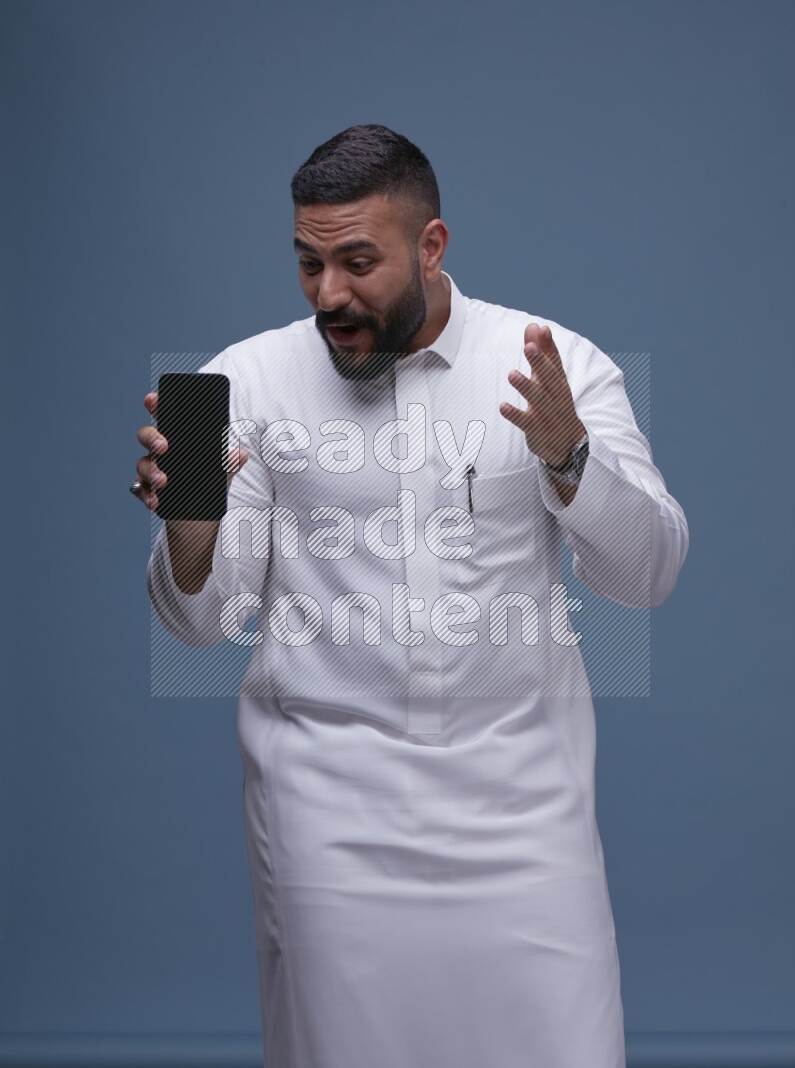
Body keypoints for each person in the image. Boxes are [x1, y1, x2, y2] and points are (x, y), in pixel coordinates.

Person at [133, 124, 688, 1068]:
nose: (329, 295)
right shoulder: (224, 384)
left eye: (358, 261)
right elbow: (199, 626)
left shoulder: (555, 363)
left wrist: (569, 458)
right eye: (308, 263)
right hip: (327, 820)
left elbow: (647, 577)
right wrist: (190, 527)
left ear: (432, 246)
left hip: (526, 819)